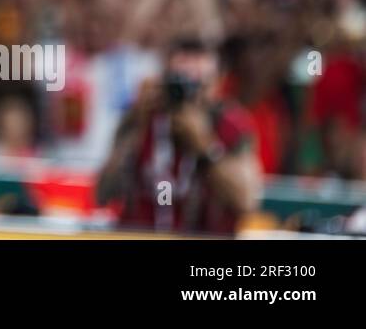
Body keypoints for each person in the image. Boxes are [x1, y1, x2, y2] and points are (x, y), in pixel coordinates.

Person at [95, 37, 263, 234]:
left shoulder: (231, 124)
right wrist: (137, 124)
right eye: (180, 85)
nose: (189, 98)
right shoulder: (144, 117)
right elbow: (103, 193)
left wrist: (205, 147)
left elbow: (246, 200)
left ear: (218, 82)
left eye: (199, 85)